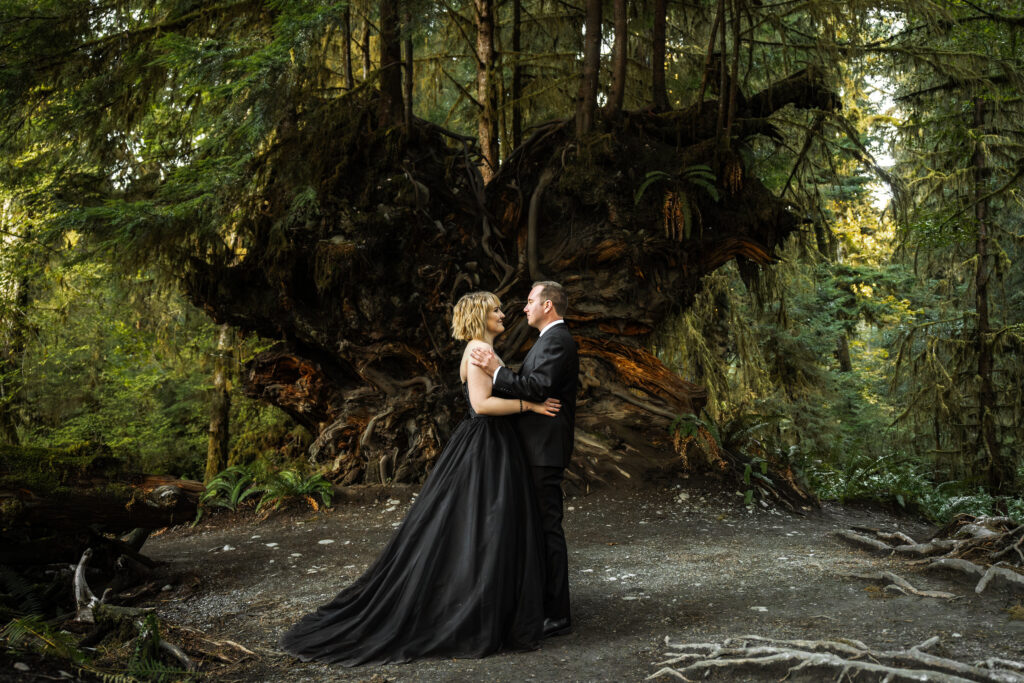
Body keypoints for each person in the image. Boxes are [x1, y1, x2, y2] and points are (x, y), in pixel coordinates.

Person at [279, 291, 560, 666]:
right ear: (480, 317)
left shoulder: (483, 350)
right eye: (495, 309)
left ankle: (494, 601)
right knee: (483, 524)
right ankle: (474, 605)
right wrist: (530, 405)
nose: (503, 313)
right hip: (485, 445)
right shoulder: (477, 349)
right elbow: (481, 404)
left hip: (494, 444)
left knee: (489, 526)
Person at [470, 280, 579, 638]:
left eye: (531, 301)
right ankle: (538, 603)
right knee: (538, 527)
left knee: (548, 528)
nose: (524, 307)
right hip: (535, 448)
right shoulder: (547, 340)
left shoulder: (558, 340)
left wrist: (497, 371)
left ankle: (558, 614)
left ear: (548, 306)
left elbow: (536, 387)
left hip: (543, 451)